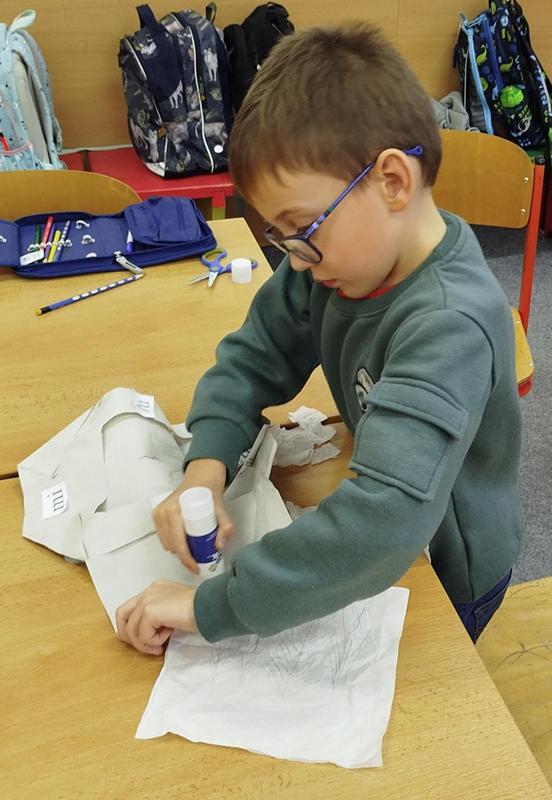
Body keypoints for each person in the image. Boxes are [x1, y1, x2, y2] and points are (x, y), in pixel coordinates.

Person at [116, 22, 521, 654]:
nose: (295, 261)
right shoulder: (336, 263)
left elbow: (383, 525)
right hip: (387, 529)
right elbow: (254, 356)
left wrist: (210, 604)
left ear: (392, 181)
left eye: (302, 230)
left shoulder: (450, 325)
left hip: (447, 566)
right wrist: (205, 468)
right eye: (281, 238)